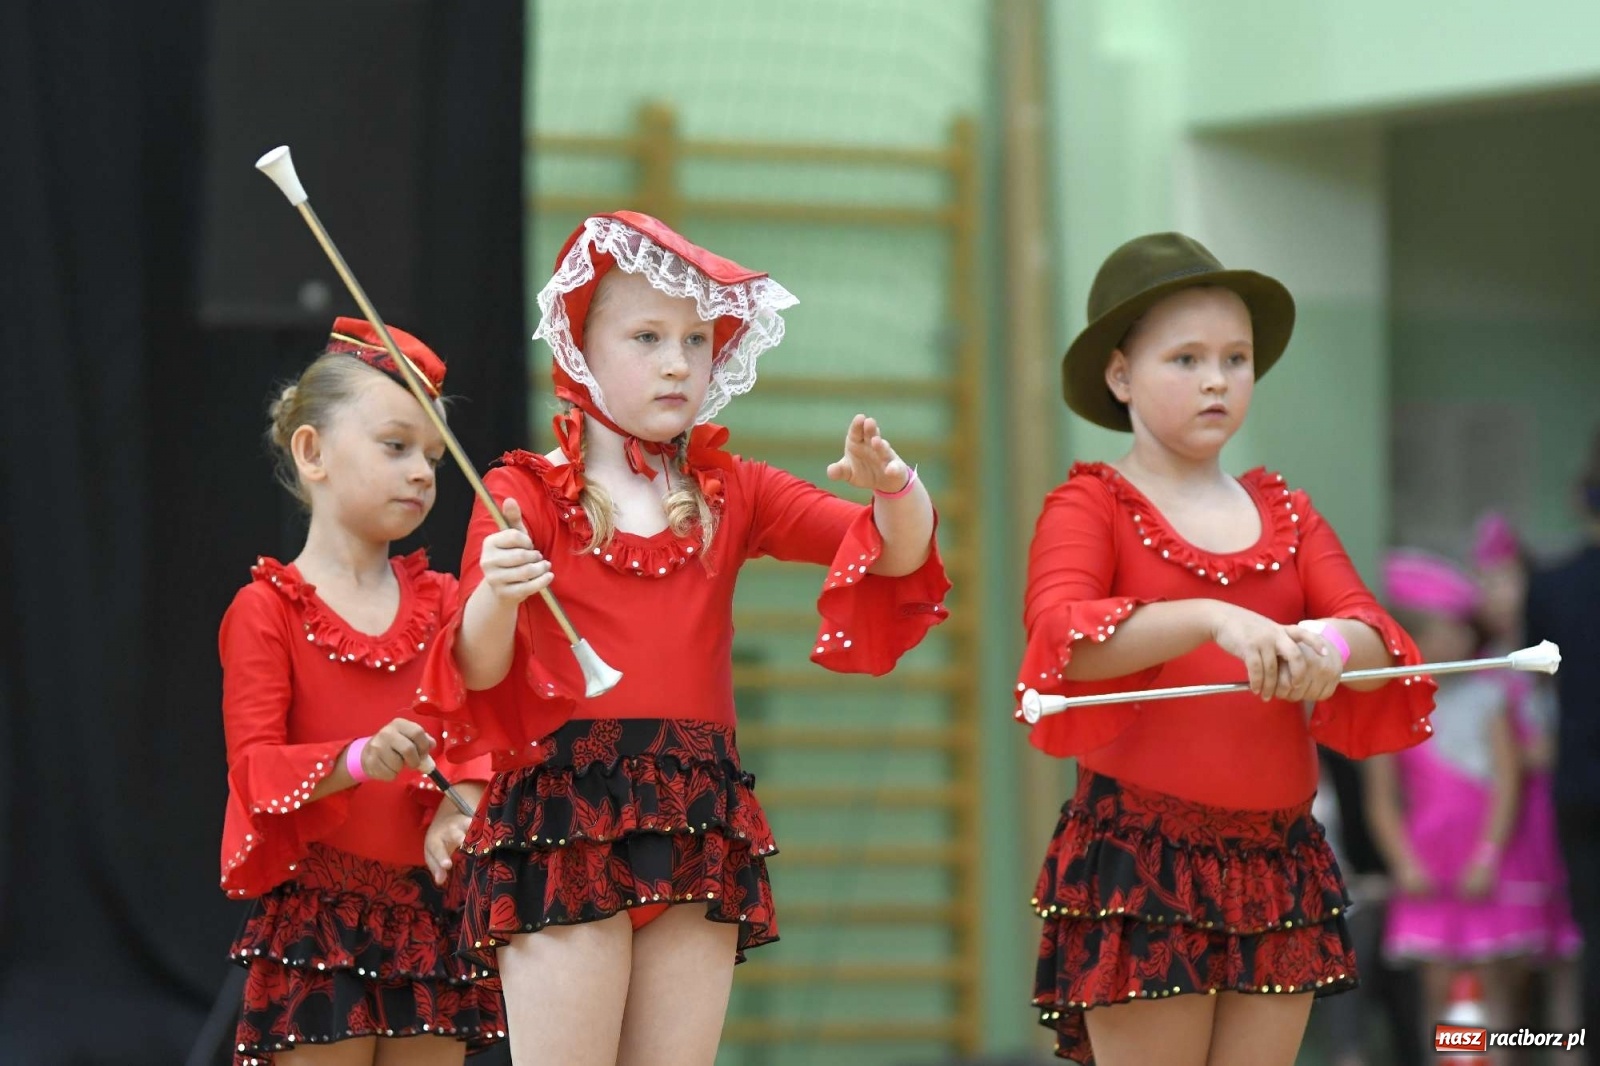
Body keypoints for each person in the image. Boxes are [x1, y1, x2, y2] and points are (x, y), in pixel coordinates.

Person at [417, 212, 950, 1065]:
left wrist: (897, 488)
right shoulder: (521, 491)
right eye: (648, 336)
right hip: (565, 816)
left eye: (697, 339)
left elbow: (895, 549)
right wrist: (501, 598)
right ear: (582, 347)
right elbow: (476, 666)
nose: (677, 361)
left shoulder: (733, 490)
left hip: (697, 813)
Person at [1019, 232, 1435, 1065]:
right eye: (1185, 358)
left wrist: (1324, 643)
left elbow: (1373, 634)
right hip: (1144, 860)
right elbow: (1064, 642)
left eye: (1235, 357)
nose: (1216, 379)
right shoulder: (1089, 504)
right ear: (1119, 375)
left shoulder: (1287, 512)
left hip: (1276, 859)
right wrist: (1211, 616)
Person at [218, 320, 505, 1064]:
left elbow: (480, 727)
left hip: (427, 917)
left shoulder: (443, 603)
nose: (422, 473)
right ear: (312, 452)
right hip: (319, 916)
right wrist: (356, 760)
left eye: (435, 458)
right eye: (396, 445)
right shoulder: (267, 610)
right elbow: (253, 771)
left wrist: (454, 806)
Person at [1525, 429, 1600, 1050]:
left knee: (1592, 930)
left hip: (1579, 776)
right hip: (1577, 776)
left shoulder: (1552, 586)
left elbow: (1538, 684)